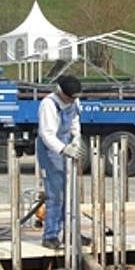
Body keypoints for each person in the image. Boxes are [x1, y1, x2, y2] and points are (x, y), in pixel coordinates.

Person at [36, 75, 87, 250]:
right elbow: (47, 135)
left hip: (66, 144)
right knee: (56, 194)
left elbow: (75, 122)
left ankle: (72, 232)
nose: (73, 100)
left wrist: (76, 140)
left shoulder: (74, 101)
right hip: (51, 149)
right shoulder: (48, 105)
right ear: (60, 92)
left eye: (75, 97)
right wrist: (63, 149)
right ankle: (50, 235)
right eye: (70, 97)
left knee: (71, 192)